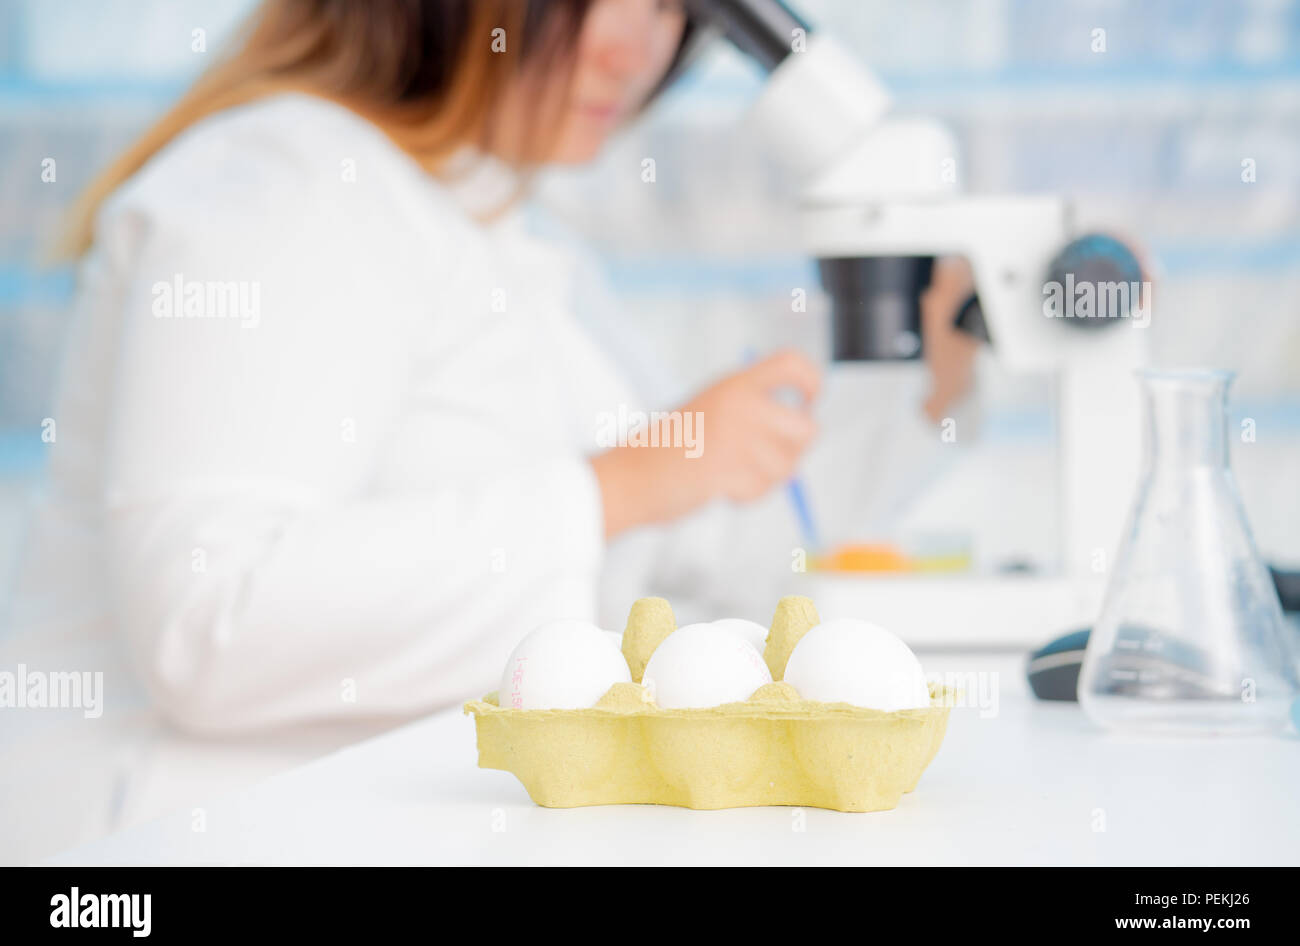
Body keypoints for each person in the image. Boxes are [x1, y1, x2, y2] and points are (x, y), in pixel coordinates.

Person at [12, 0, 975, 743]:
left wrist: (936, 374)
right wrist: (623, 486)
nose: (635, 51)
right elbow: (207, 624)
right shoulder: (285, 182)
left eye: (670, 8)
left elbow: (698, 569)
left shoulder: (501, 227)